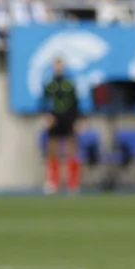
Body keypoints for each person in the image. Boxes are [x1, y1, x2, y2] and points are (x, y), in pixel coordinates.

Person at [41, 57, 82, 193]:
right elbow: (44, 102)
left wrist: (77, 120)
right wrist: (47, 116)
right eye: (57, 65)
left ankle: (72, 183)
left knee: (71, 151)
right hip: (54, 120)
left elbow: (76, 103)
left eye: (61, 65)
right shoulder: (49, 84)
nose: (59, 68)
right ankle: (53, 182)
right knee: (52, 151)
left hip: (68, 120)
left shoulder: (70, 84)